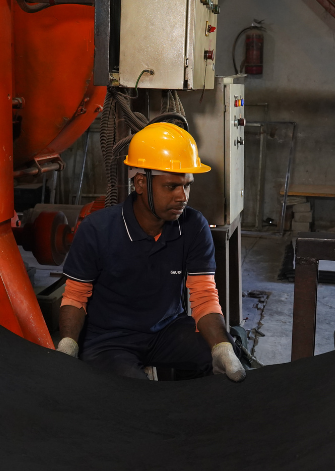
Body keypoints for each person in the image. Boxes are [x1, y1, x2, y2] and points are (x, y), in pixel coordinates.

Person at [55, 122, 245, 382]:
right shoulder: (97, 229)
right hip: (109, 340)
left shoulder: (193, 226)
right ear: (141, 183)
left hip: (167, 330)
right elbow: (75, 297)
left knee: (224, 358)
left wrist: (221, 347)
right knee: (135, 395)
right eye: (171, 186)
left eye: (187, 185)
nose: (183, 196)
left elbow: (203, 296)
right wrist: (68, 345)